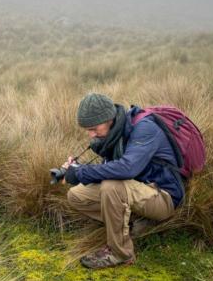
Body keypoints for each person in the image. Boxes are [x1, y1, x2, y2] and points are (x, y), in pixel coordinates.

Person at [62, 93, 184, 269]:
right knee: (76, 195)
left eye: (94, 128)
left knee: (111, 187)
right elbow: (113, 168)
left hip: (163, 197)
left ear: (109, 119)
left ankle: (120, 253)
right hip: (136, 191)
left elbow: (127, 168)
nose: (90, 135)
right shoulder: (115, 132)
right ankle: (131, 224)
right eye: (88, 130)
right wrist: (77, 168)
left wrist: (81, 173)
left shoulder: (145, 128)